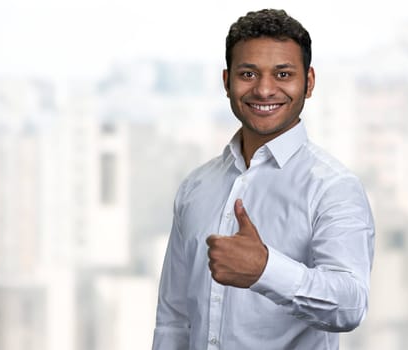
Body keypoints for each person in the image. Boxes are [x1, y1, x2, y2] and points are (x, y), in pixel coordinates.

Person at [152, 8, 375, 350]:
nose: (265, 89)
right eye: (248, 73)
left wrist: (265, 269)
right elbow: (174, 317)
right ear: (227, 81)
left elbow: (349, 305)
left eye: (283, 74)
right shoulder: (196, 187)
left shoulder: (333, 188)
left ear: (309, 82)